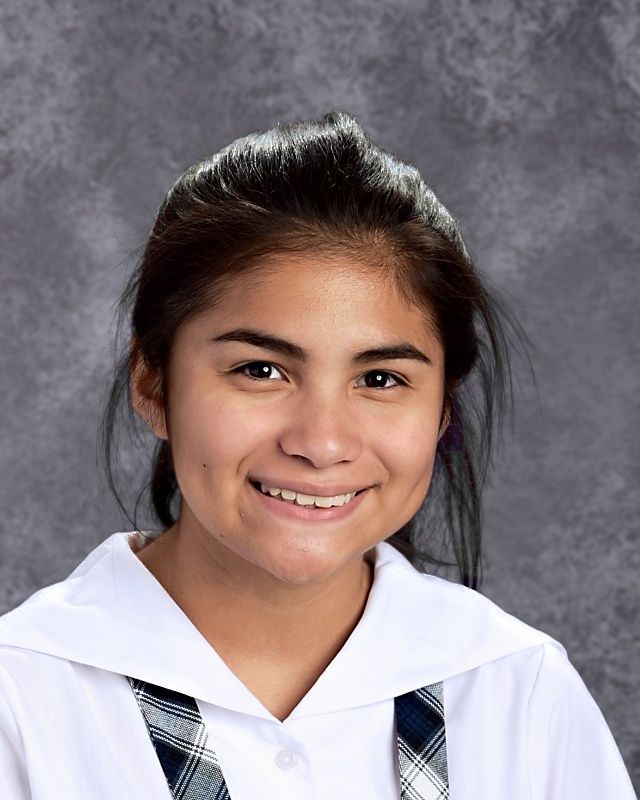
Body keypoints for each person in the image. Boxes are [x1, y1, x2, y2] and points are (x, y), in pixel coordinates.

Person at [0, 111, 635, 800]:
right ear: (154, 385)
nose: (322, 442)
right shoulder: (22, 695)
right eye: (261, 371)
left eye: (381, 379)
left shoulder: (518, 690)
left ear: (442, 411)